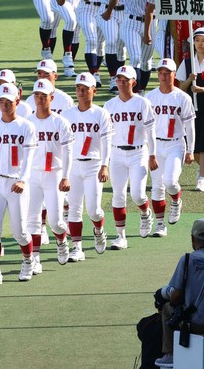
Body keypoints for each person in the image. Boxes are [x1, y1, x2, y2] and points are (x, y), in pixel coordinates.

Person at [0, 82, 37, 285]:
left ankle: (29, 260)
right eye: (1, 101)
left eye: (8, 101)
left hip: (16, 183)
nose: (4, 105)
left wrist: (23, 179)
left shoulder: (26, 126)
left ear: (17, 101)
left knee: (19, 230)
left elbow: (29, 159)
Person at [103, 65, 157, 250]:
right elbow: (105, 135)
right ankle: (120, 236)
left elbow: (151, 131)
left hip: (138, 152)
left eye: (126, 80)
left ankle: (145, 212)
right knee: (118, 195)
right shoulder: (109, 105)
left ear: (134, 82)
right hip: (117, 153)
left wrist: (152, 154)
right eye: (119, 79)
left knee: (137, 194)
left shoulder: (142, 103)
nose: (122, 82)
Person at [26, 78, 73, 273]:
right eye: (36, 95)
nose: (39, 99)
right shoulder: (27, 122)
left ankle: (61, 240)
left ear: (51, 97)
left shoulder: (60, 122)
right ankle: (34, 258)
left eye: (43, 95)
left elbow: (68, 150)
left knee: (55, 221)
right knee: (32, 219)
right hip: (33, 174)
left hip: (54, 173)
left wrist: (66, 176)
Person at [63, 72, 112, 260]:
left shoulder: (101, 114)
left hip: (93, 165)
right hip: (73, 166)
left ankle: (99, 229)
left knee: (93, 209)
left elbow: (107, 142)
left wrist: (104, 165)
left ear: (94, 91)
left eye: (85, 89)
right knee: (74, 207)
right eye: (78, 89)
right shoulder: (67, 115)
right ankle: (77, 247)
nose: (81, 93)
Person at [146, 58, 195, 238]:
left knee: (170, 181)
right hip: (156, 145)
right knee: (157, 186)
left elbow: (189, 126)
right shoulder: (149, 97)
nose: (164, 76)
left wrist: (191, 150)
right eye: (161, 73)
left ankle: (176, 200)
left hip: (175, 143)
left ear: (174, 75)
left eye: (167, 73)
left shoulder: (182, 97)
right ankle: (160, 224)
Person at [154, 219, 204, 368]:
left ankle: (169, 354)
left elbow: (175, 296)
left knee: (168, 308)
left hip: (196, 324)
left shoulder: (187, 260)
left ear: (193, 239)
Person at [176, 28, 204, 191]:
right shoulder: (187, 63)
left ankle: (201, 176)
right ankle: (201, 168)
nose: (200, 44)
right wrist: (190, 80)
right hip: (190, 108)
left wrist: (201, 90)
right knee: (191, 145)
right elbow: (180, 87)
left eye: (203, 41)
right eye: (197, 40)